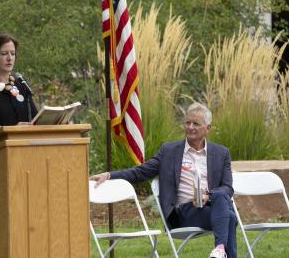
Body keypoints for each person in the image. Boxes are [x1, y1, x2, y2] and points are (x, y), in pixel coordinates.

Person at [90, 102, 236, 258]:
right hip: (184, 214)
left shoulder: (221, 153)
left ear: (208, 128)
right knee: (229, 217)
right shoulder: (169, 151)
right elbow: (141, 172)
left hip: (211, 207)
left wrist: (207, 195)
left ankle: (219, 250)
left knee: (222, 199)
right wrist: (110, 175)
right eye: (187, 122)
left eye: (196, 124)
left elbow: (228, 187)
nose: (190, 127)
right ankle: (221, 249)